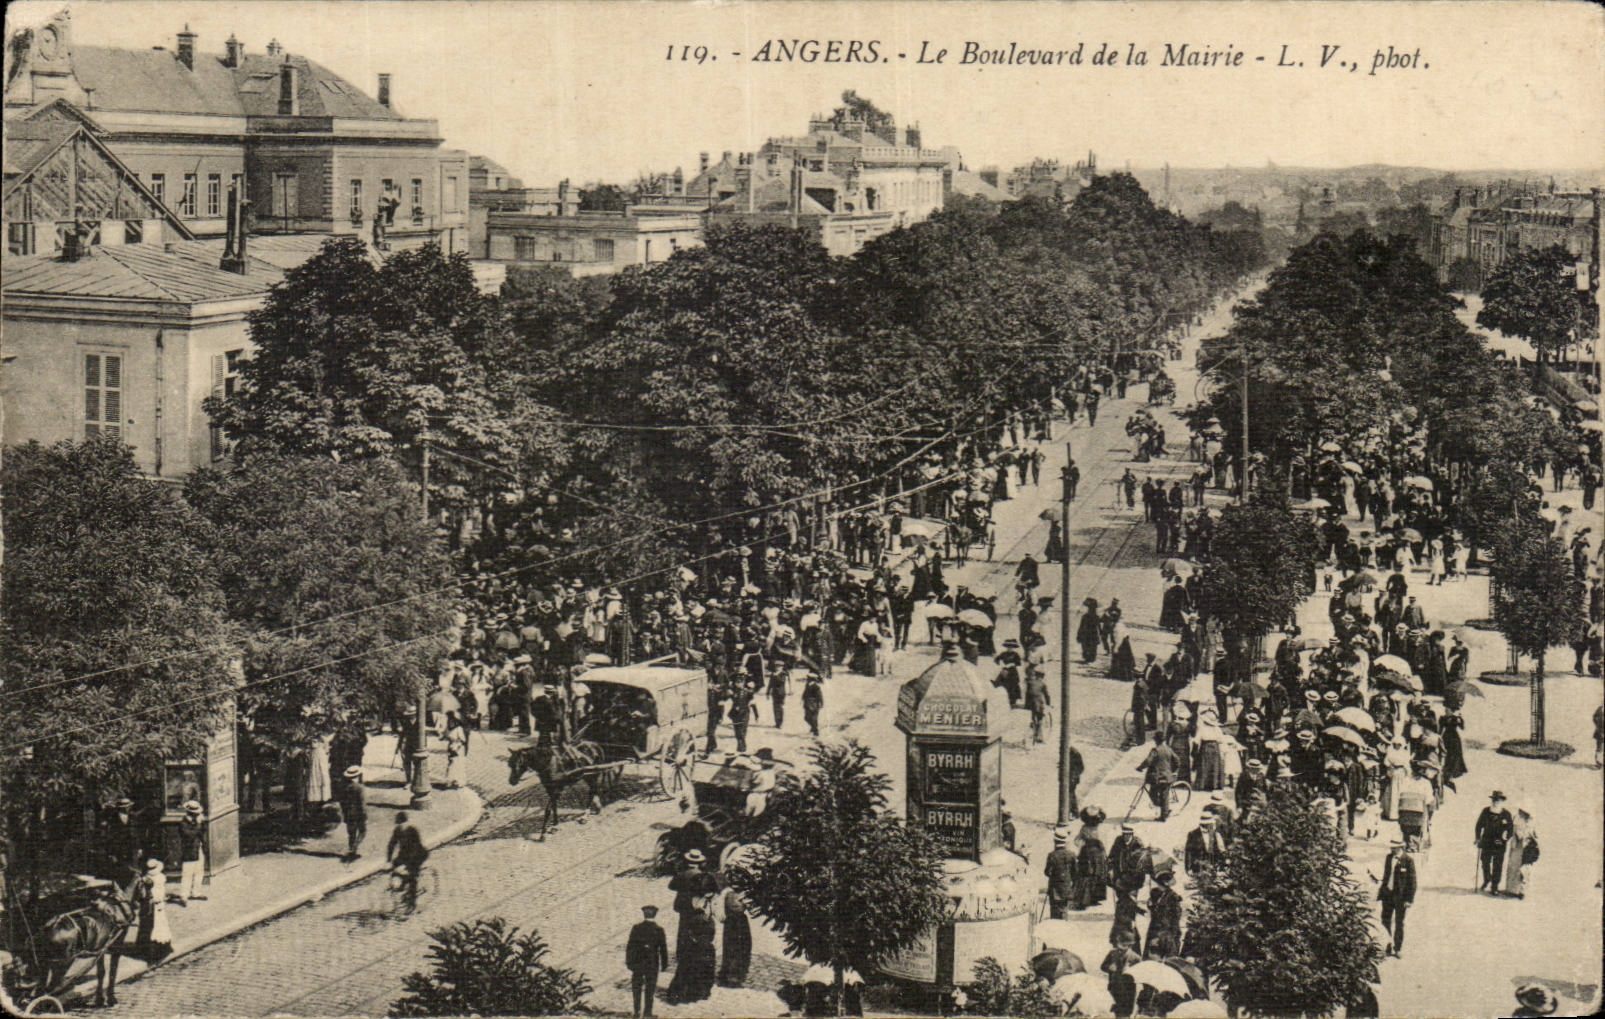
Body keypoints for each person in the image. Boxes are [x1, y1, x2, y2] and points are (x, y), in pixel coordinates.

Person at [665, 850, 719, 1004]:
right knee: (699, 955)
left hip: (685, 918)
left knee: (685, 951)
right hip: (700, 920)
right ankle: (698, 990)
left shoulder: (682, 875)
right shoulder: (704, 878)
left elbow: (673, 889)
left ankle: (682, 990)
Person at [627, 904, 671, 1018]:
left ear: (644, 914)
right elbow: (663, 948)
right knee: (650, 989)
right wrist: (665, 964)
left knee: (636, 987)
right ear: (655, 915)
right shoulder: (659, 930)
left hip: (638, 962)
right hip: (652, 963)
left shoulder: (636, 928)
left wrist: (629, 962)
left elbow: (630, 947)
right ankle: (647, 1013)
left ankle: (637, 1012)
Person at [1377, 837, 1416, 956]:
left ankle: (1397, 948)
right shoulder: (1389, 858)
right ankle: (1387, 945)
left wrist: (1409, 899)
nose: (1392, 849)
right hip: (1388, 895)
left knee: (1399, 923)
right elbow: (1386, 875)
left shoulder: (1408, 860)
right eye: (1391, 847)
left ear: (1400, 847)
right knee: (1385, 921)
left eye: (1394, 848)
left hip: (1400, 898)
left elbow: (1412, 882)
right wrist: (1382, 890)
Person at [387, 810, 430, 911]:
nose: (402, 826)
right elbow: (392, 844)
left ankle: (412, 903)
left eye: (403, 824)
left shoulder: (413, 830)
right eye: (400, 824)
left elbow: (416, 847)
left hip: (418, 854)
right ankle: (402, 885)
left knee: (412, 877)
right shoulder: (397, 830)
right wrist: (388, 860)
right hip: (404, 854)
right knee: (395, 867)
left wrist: (408, 864)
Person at [132, 858, 173, 964]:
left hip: (147, 906)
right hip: (158, 905)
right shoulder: (161, 878)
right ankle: (161, 949)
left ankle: (146, 950)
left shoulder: (145, 879)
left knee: (147, 927)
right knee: (159, 927)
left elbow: (141, 894)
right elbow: (161, 894)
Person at [1475, 790, 1513, 894]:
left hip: (1499, 844)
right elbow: (1479, 825)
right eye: (1494, 800)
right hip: (1487, 841)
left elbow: (1510, 830)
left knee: (1497, 865)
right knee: (1485, 862)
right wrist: (1478, 838)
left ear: (1502, 801)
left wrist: (1505, 838)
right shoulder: (1486, 811)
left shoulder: (1506, 814)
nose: (1496, 802)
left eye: (1498, 800)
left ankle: (1494, 886)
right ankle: (1487, 878)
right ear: (1492, 800)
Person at [1137, 730, 1178, 821]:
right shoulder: (1169, 749)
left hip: (1157, 778)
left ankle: (1164, 816)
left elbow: (1148, 761)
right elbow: (1177, 761)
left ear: (1156, 741)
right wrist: (1173, 771)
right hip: (1167, 777)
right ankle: (1165, 810)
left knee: (1153, 794)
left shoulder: (1155, 750)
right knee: (1164, 796)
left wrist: (1140, 767)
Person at [1101, 928, 1141, 1019]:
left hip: (1128, 992)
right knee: (1115, 1013)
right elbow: (1102, 966)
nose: (1120, 949)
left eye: (1123, 947)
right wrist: (1109, 968)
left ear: (1130, 945)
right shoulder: (1112, 954)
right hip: (1113, 988)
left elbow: (1141, 974)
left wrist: (1131, 971)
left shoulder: (1135, 958)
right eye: (1119, 947)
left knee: (1125, 1015)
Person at [718, 888, 753, 987]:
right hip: (734, 921)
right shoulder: (729, 893)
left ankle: (729, 974)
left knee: (736, 948)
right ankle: (733, 977)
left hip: (736, 921)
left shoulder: (730, 893)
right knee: (735, 948)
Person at [1145, 869, 1183, 958]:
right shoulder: (1156, 894)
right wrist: (1151, 905)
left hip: (1168, 931)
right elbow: (1154, 911)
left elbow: (1177, 915)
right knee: (1153, 957)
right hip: (1155, 930)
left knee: (1170, 958)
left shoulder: (1173, 896)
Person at [1502, 806, 1537, 898]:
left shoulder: (1526, 822)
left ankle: (1520, 891)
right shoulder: (1519, 820)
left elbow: (1524, 835)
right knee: (1515, 868)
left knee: (1522, 869)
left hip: (1524, 849)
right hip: (1518, 848)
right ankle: (1513, 890)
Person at [177, 800, 208, 901]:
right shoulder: (183, 823)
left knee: (199, 872)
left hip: (198, 850)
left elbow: (202, 834)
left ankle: (196, 892)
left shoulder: (196, 822)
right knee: (187, 873)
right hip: (189, 851)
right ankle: (184, 894)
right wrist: (198, 825)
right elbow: (190, 835)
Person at [1044, 828, 1077, 919]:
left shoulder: (1052, 855)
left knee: (1054, 911)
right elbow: (1076, 872)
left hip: (1054, 889)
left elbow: (1047, 872)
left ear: (1055, 841)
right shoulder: (1071, 855)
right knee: (1064, 909)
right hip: (1066, 887)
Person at [338, 764, 367, 860]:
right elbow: (362, 803)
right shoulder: (359, 788)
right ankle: (354, 848)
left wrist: (344, 813)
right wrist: (364, 814)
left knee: (351, 833)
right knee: (362, 831)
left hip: (348, 813)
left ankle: (351, 849)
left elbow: (342, 802)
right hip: (358, 814)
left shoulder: (345, 787)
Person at [801, 673, 824, 738]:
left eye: (809, 679)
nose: (807, 680)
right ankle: (813, 727)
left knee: (814, 719)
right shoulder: (807, 685)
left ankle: (816, 732)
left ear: (813, 680)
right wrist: (802, 698)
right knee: (806, 718)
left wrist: (821, 703)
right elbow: (805, 693)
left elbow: (820, 696)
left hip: (814, 705)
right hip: (807, 704)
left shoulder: (816, 687)